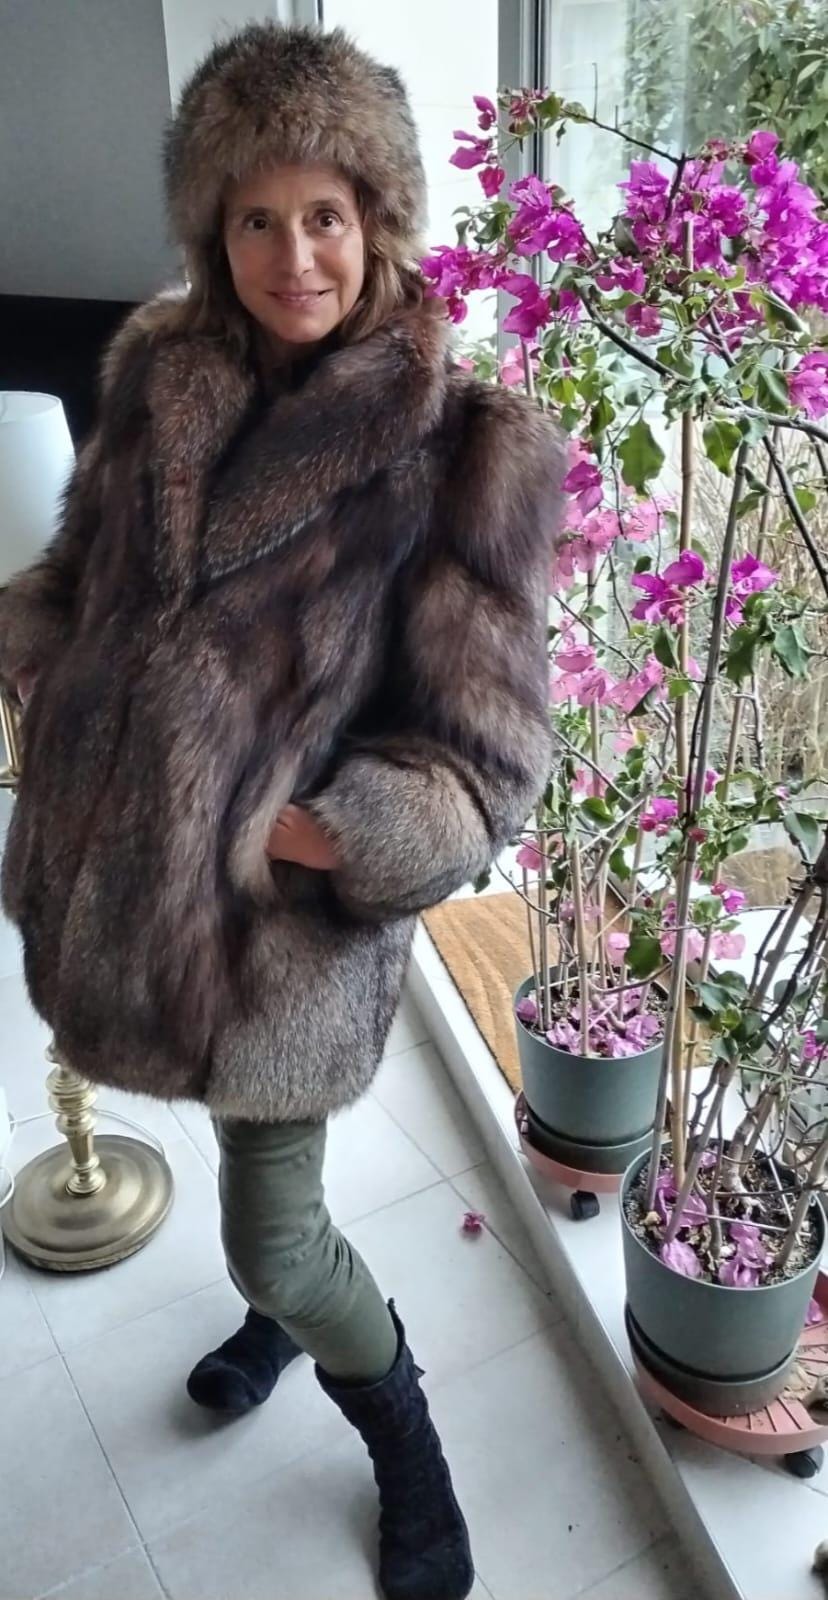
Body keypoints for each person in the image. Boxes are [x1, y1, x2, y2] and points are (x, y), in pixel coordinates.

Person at [0, 23, 562, 1600]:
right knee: (245, 1184)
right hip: (128, 879)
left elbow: (487, 763)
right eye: (257, 217)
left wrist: (325, 832)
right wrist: (32, 647)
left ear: (378, 216)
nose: (293, 255)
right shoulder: (159, 371)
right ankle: (274, 1315)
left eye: (325, 214)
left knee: (278, 1232)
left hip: (278, 934)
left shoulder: (464, 449)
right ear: (213, 225)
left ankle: (403, 1439)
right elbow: (80, 573)